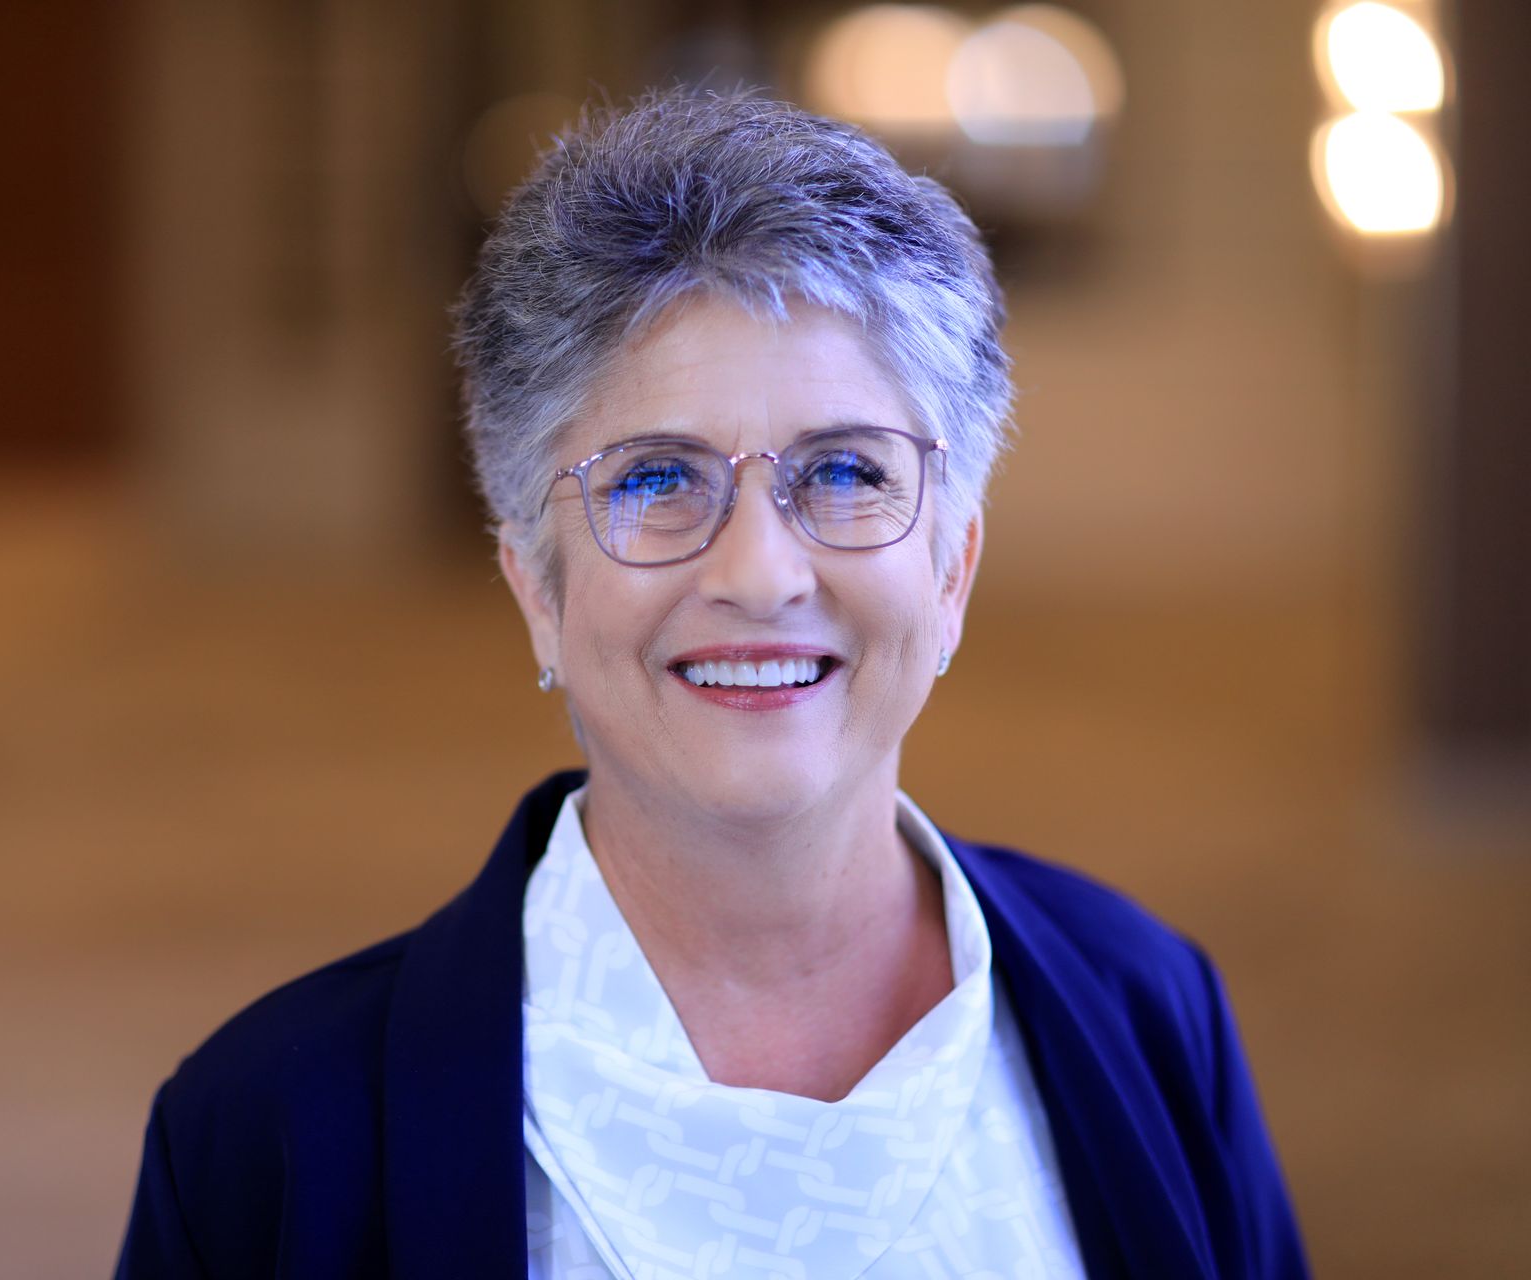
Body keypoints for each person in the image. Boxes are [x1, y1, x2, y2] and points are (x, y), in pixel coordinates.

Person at [113, 89, 1308, 1279]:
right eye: (654, 479)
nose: (761, 573)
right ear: (537, 584)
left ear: (952, 570)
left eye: (846, 470)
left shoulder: (1152, 1008)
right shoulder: (259, 1136)